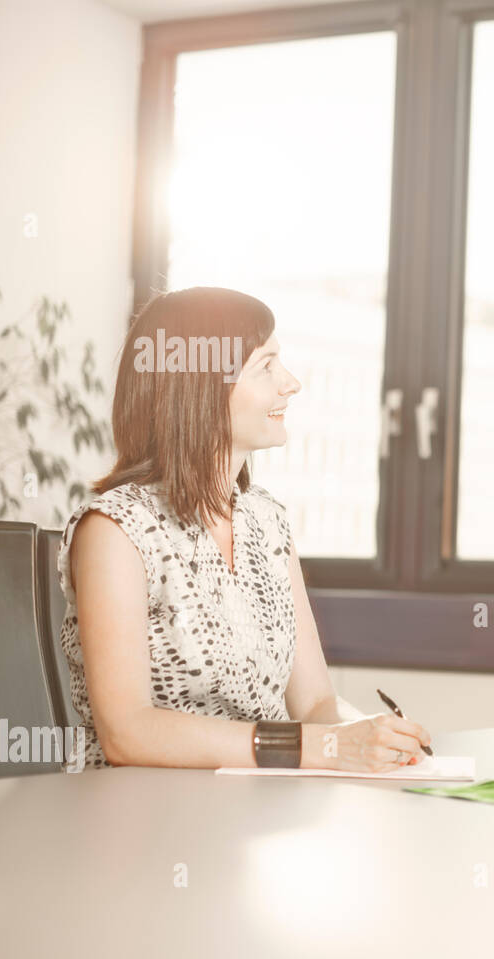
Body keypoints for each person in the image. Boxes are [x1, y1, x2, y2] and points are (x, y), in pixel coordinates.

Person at [59, 286, 430, 771]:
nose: (291, 383)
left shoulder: (268, 521)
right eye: (267, 366)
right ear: (202, 386)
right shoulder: (116, 530)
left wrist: (367, 737)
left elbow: (316, 703)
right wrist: (316, 748)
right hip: (141, 822)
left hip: (254, 816)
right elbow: (128, 733)